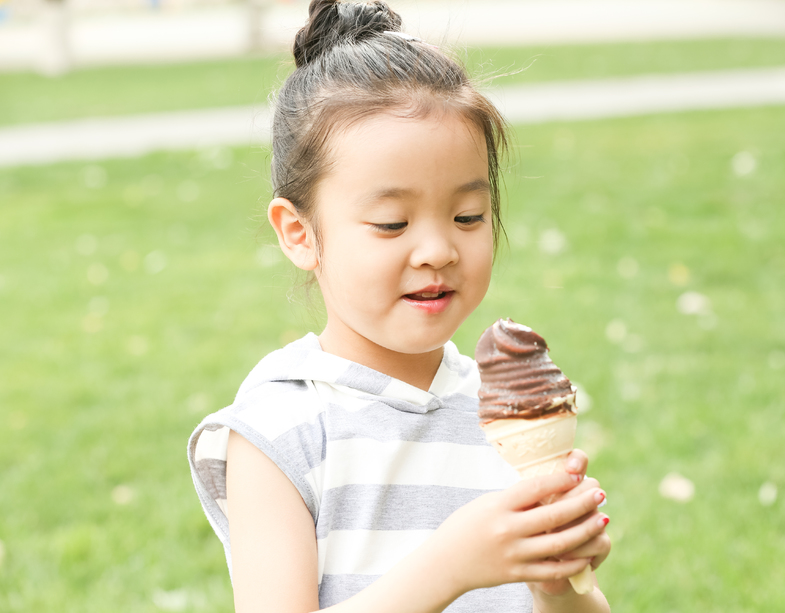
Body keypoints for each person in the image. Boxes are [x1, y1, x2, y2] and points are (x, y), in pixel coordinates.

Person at [187, 1, 612, 611]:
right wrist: (451, 566)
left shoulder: (500, 415)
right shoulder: (280, 431)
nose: (438, 249)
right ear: (300, 233)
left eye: (469, 216)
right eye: (392, 223)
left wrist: (557, 584)